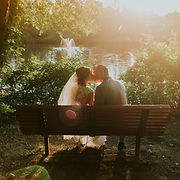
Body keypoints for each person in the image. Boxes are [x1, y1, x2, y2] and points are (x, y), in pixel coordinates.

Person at [58, 66, 106, 148]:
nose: (92, 75)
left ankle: (80, 142)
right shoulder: (89, 91)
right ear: (86, 77)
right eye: (90, 74)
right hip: (84, 120)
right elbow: (92, 108)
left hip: (73, 120)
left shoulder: (72, 89)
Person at [93, 64, 127, 149]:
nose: (94, 75)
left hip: (109, 122)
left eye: (96, 72)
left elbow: (98, 108)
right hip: (123, 121)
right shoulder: (120, 83)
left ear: (103, 72)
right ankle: (121, 142)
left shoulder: (100, 87)